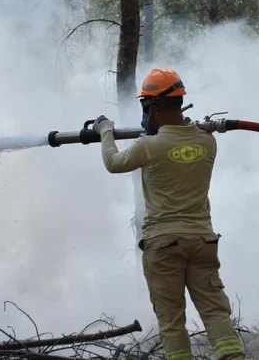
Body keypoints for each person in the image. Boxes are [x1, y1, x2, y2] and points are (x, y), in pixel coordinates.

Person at [92, 68, 246, 360]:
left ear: (157, 110)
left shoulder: (149, 147)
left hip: (163, 245)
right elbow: (185, 135)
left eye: (145, 107)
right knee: (215, 310)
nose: (145, 114)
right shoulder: (207, 142)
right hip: (202, 241)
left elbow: (113, 162)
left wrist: (106, 130)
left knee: (172, 320)